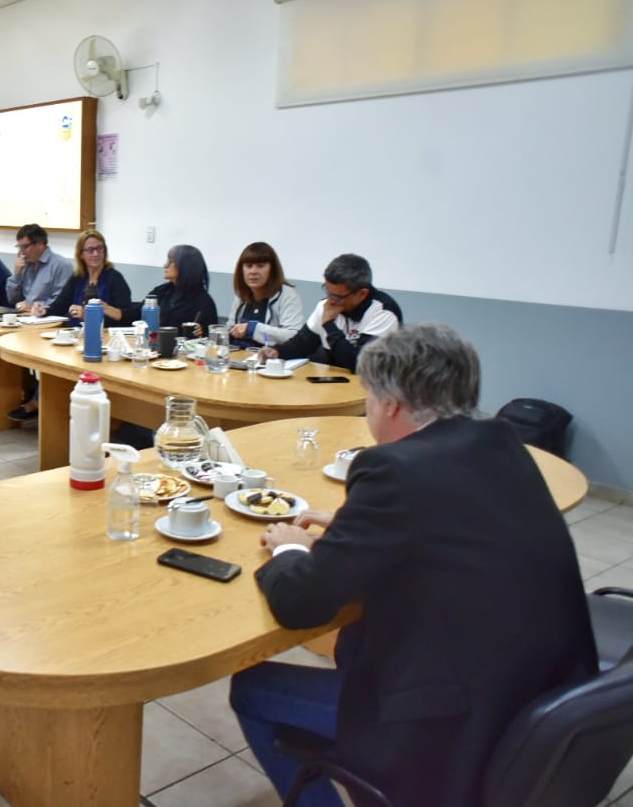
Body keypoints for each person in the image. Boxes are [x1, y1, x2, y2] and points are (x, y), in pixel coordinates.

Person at [229, 322, 596, 807]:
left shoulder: (391, 469)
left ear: (391, 405)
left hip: (460, 720)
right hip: (550, 698)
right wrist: (354, 525)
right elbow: (455, 519)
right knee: (356, 640)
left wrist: (290, 548)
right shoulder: (502, 445)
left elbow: (300, 604)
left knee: (252, 687)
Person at [259, 253, 400, 373]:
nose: (330, 301)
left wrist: (329, 325)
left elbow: (359, 365)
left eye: (338, 297)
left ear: (362, 294)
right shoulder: (326, 305)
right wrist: (277, 352)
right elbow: (302, 343)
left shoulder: (383, 313)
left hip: (372, 391)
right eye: (327, 291)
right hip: (334, 382)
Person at [44, 229, 131, 327]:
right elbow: (60, 306)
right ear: (81, 254)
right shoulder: (77, 277)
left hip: (103, 335)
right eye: (90, 250)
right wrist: (44, 310)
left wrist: (89, 316)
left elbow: (126, 318)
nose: (96, 254)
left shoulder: (115, 278)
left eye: (99, 248)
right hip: (74, 333)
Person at [226, 242, 304, 346]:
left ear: (272, 270)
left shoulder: (287, 295)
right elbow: (230, 328)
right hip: (239, 358)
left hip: (272, 359)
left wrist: (254, 329)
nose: (253, 271)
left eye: (260, 266)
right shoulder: (241, 295)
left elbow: (293, 336)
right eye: (248, 266)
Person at [138, 244, 218, 332]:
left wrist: (201, 332)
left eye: (171, 261)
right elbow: (137, 312)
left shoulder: (204, 302)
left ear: (185, 266)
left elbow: (210, 337)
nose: (165, 265)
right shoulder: (161, 291)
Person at [5, 223, 72, 312]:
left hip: (48, 319)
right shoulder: (25, 264)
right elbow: (12, 299)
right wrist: (17, 275)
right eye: (19, 247)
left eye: (25, 247)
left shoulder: (61, 265)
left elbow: (62, 302)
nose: (21, 252)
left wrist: (35, 307)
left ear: (40, 244)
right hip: (25, 317)